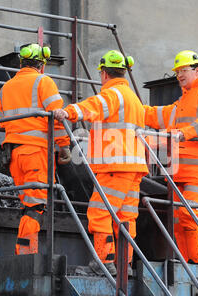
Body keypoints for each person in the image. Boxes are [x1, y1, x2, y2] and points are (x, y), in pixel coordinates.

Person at [54, 50, 148, 275]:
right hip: (133, 168)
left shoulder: (113, 94)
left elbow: (93, 106)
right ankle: (125, 266)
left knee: (99, 212)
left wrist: (66, 112)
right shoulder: (134, 98)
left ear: (104, 74)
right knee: (125, 218)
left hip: (115, 166)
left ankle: (103, 263)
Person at [143, 50, 198, 265]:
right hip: (181, 172)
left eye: (184, 70)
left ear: (197, 70)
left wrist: (185, 132)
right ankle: (187, 264)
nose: (179, 75)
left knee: (191, 217)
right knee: (180, 222)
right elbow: (157, 115)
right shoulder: (183, 101)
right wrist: (133, 108)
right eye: (177, 71)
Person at [0, 43, 71, 255]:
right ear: (42, 65)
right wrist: (64, 146)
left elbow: (3, 122)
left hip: (13, 155)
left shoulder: (6, 88)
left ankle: (25, 250)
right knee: (36, 205)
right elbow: (57, 118)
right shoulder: (43, 81)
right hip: (35, 153)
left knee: (28, 203)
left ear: (21, 63)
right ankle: (26, 254)